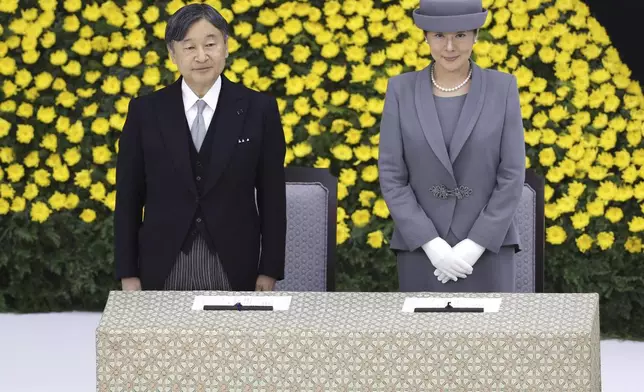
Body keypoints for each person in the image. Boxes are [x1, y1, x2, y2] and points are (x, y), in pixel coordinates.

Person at [114, 4, 286, 292]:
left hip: (235, 265)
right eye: (189, 47)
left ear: (226, 46)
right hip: (162, 264)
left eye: (210, 44)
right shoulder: (145, 112)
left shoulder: (260, 109)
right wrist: (128, 273)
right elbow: (129, 198)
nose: (202, 56)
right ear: (172, 54)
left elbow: (272, 197)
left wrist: (268, 271)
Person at [378, 0, 526, 292]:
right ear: (425, 37)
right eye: (438, 36)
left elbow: (511, 174)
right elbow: (392, 175)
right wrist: (432, 244)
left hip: (488, 251)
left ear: (476, 36)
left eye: (459, 35)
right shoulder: (400, 90)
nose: (449, 47)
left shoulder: (503, 88)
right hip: (421, 251)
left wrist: (475, 243)